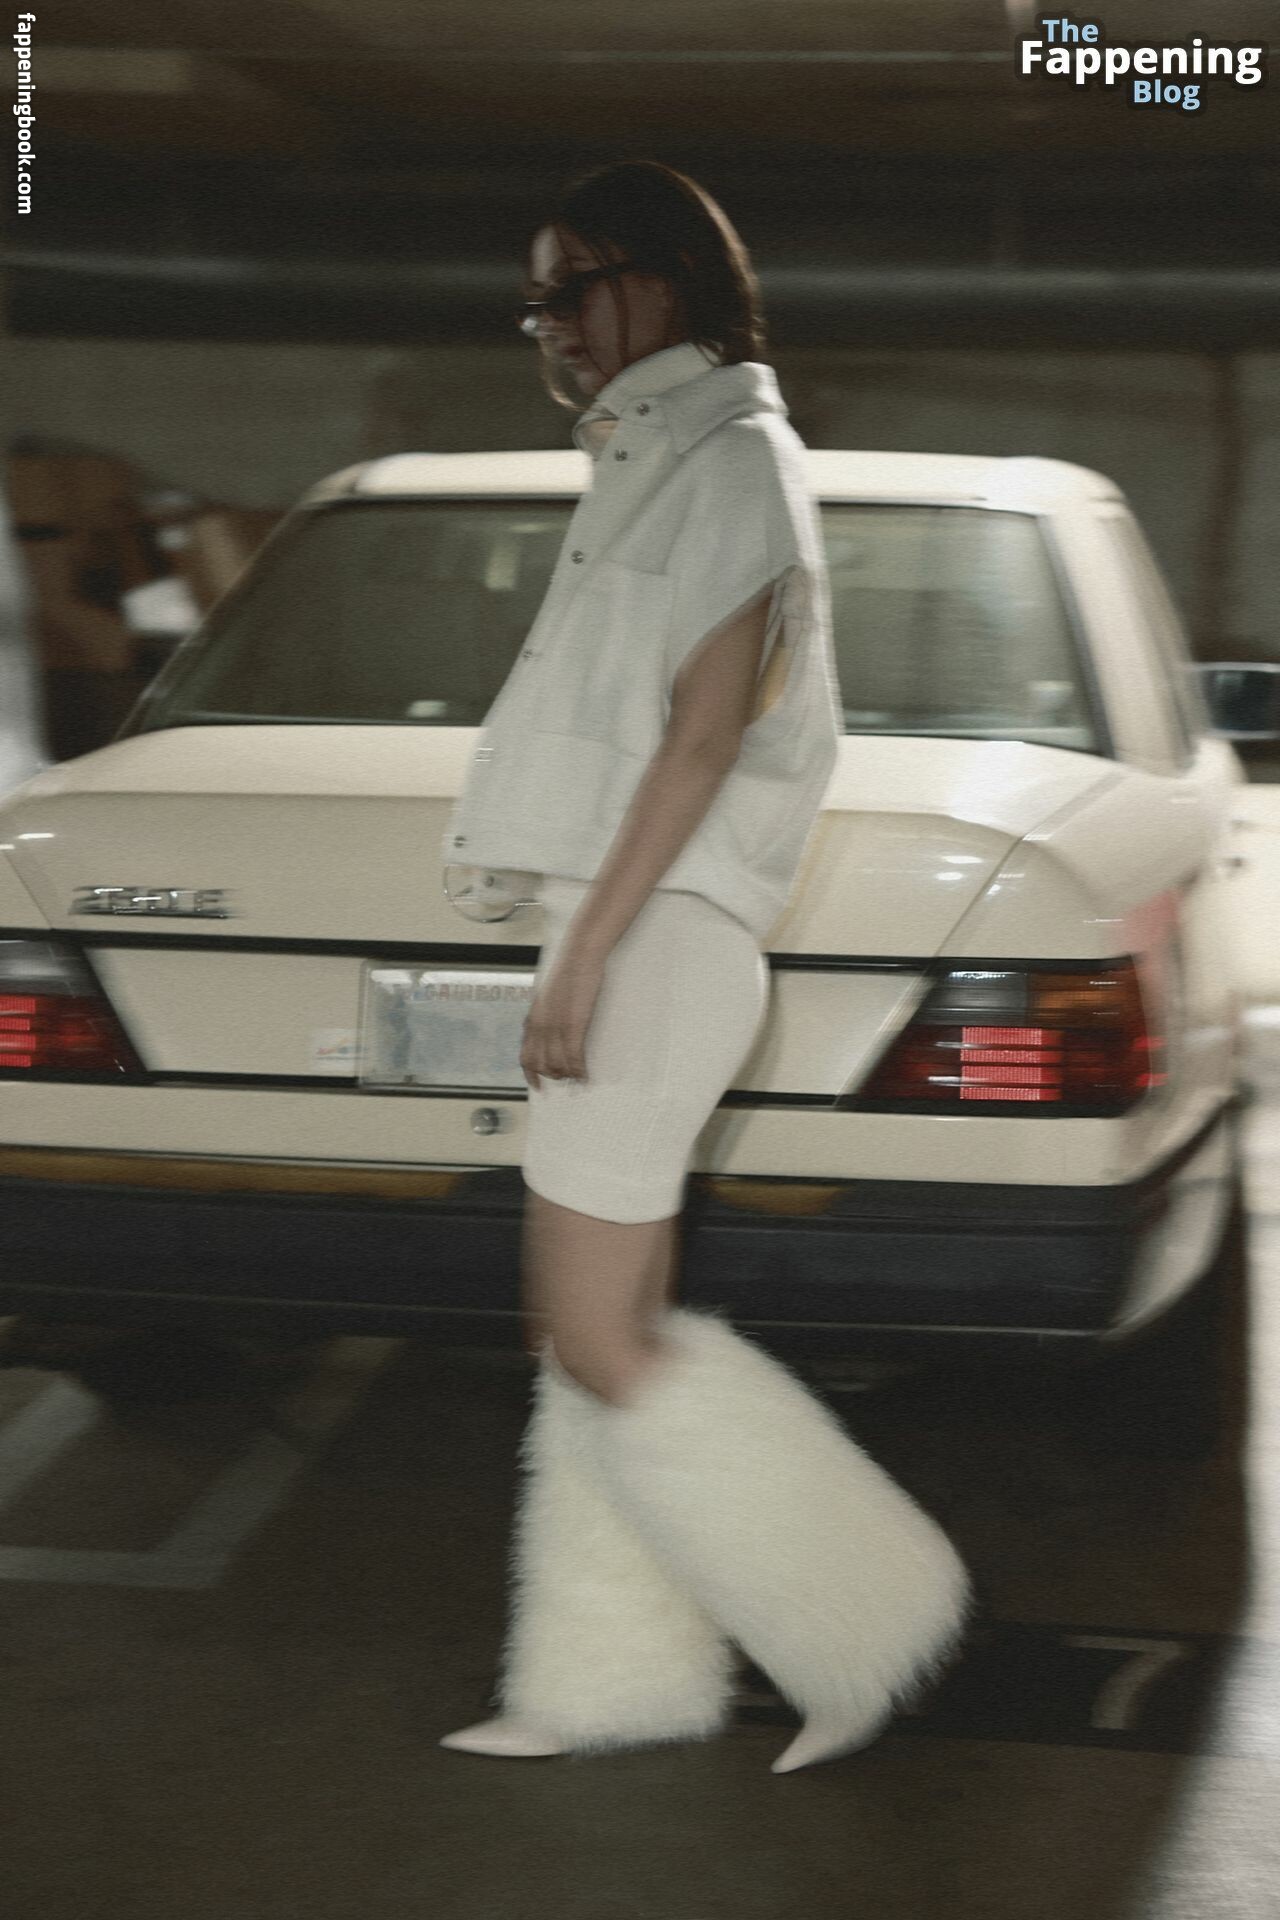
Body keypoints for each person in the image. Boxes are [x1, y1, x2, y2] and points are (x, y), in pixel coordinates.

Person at [439, 160, 972, 1773]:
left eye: (576, 287)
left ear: (667, 278)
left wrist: (584, 955)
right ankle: (608, 1685)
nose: (552, 326)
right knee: (591, 1339)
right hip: (634, 930)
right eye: (535, 300)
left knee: (600, 1338)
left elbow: (701, 732)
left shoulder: (735, 457)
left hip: (658, 938)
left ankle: (865, 1624)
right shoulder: (652, 462)